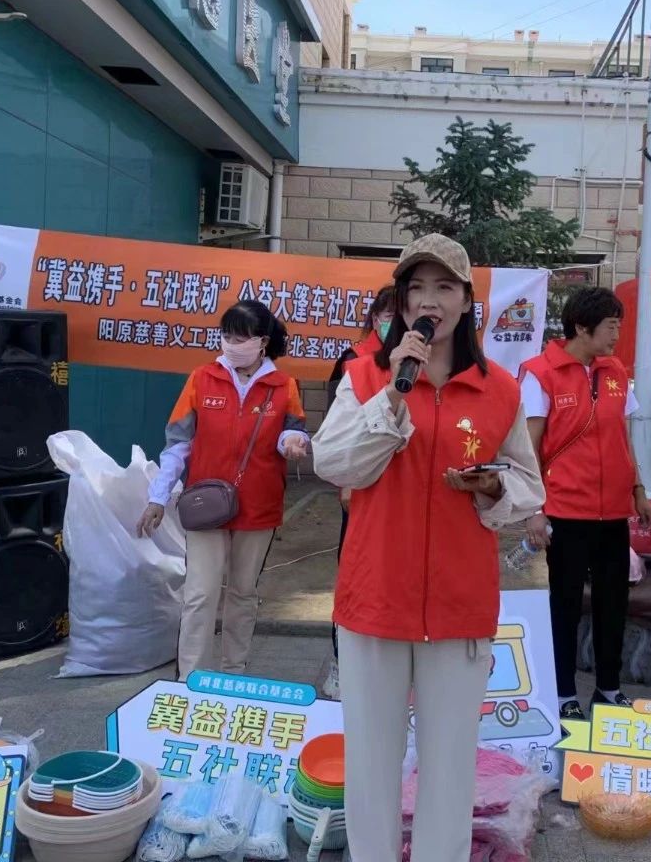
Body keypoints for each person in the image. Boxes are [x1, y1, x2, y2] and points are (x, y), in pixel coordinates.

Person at [312, 234, 544, 862]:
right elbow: (335, 464)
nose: (429, 301)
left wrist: (493, 485)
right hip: (375, 598)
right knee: (371, 763)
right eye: (416, 288)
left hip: (459, 604)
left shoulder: (500, 390)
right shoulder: (365, 375)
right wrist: (393, 394)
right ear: (401, 303)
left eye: (444, 287)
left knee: (449, 766)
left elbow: (529, 485)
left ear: (467, 301)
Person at [137, 300, 310, 680]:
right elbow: (177, 443)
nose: (231, 345)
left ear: (262, 342)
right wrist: (158, 497)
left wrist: (293, 443)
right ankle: (191, 678)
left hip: (259, 506)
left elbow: (292, 432)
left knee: (243, 593)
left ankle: (234, 673)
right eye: (227, 336)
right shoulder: (202, 379)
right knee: (200, 594)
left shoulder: (284, 386)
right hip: (206, 504)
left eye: (240, 338)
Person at [519, 287, 651, 721]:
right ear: (581, 327)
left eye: (619, 325)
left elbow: (623, 438)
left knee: (614, 604)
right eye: (611, 325)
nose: (617, 334)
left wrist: (637, 489)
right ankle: (563, 694)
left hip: (613, 511)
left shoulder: (615, 371)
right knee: (565, 605)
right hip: (565, 511)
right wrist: (534, 510)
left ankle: (609, 689)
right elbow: (528, 448)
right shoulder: (540, 373)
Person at [320, 283, 395, 700]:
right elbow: (336, 432)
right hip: (362, 487)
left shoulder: (428, 361)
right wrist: (345, 482)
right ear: (374, 318)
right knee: (354, 575)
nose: (392, 323)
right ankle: (340, 661)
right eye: (386, 315)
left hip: (402, 494)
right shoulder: (352, 360)